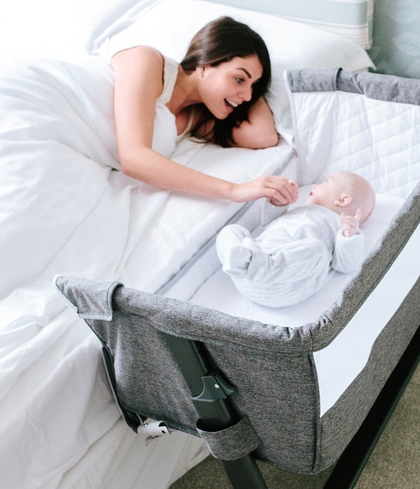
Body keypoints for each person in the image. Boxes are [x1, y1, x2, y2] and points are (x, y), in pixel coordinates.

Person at [110, 16, 298, 207]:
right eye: (240, 79)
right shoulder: (147, 61)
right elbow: (133, 158)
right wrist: (234, 190)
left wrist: (252, 84)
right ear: (204, 64)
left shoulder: (195, 119)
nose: (248, 97)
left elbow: (263, 137)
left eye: (254, 86)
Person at [216, 171, 376, 307]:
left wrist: (349, 237)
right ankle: (240, 260)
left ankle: (260, 268)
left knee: (317, 250)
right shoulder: (300, 209)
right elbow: (267, 225)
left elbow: (346, 265)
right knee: (231, 231)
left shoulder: (338, 224)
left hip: (281, 285)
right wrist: (277, 204)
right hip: (247, 270)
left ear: (342, 200)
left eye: (324, 182)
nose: (314, 185)